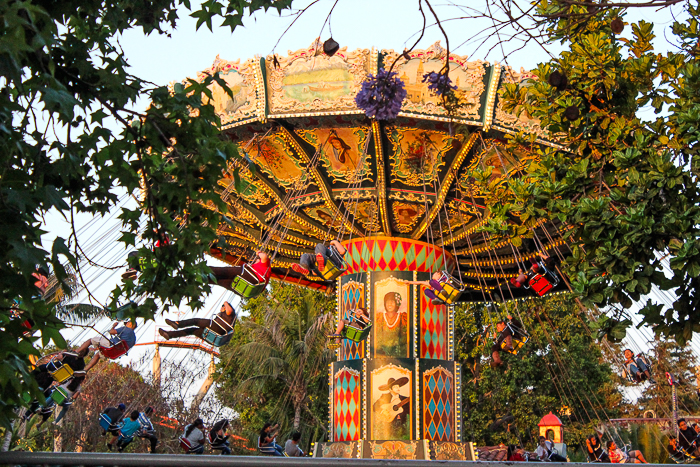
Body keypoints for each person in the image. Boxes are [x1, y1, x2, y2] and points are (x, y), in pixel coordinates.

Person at [159, 301, 236, 340]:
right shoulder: (224, 316)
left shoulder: (230, 314)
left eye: (223, 307)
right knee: (192, 330)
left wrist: (225, 303)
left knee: (196, 321)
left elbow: (229, 311)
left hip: (217, 327)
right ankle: (169, 334)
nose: (221, 308)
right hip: (216, 332)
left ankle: (178, 324)